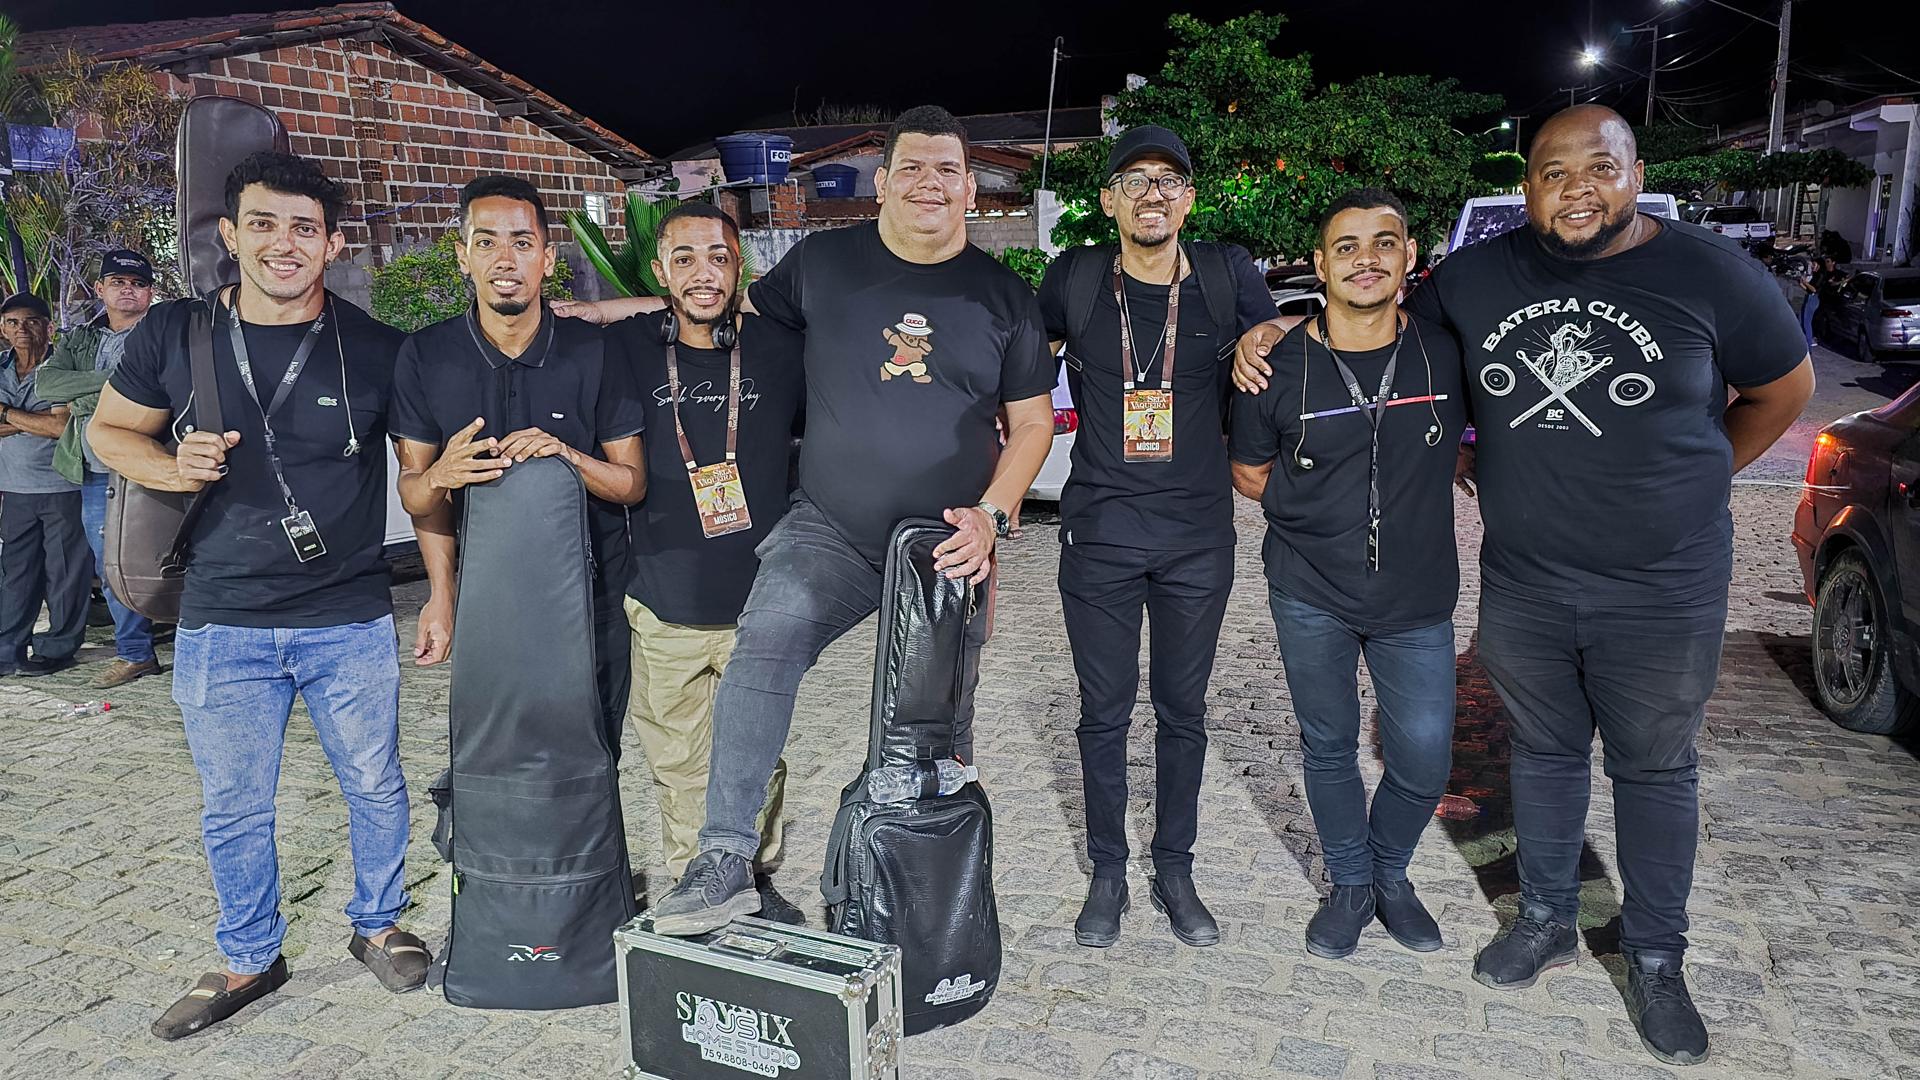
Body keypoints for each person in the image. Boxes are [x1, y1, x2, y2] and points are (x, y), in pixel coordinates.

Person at [1234, 106, 1813, 1067]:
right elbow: (1375, 323)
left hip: (1663, 585)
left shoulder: (1713, 274)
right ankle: (1544, 917)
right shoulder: (1477, 278)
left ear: (1636, 174)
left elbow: (1784, 394)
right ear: (1528, 185)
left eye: (1600, 168)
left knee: (1655, 768)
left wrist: (1694, 481)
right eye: (1554, 172)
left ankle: (1656, 958)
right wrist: (1274, 327)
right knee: (1542, 754)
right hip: (1528, 578)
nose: (1577, 189)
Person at [570, 105, 1056, 936]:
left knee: (937, 729)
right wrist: (600, 317)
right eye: (912, 167)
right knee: (763, 644)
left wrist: (991, 516)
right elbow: (726, 317)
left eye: (947, 169)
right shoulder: (822, 262)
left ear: (970, 190)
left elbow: (1034, 422)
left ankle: (922, 895)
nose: (930, 183)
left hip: (944, 545)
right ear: (884, 182)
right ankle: (725, 861)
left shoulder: (1004, 294)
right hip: (829, 531)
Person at [89, 152, 431, 1039]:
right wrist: (171, 464)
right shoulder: (176, 331)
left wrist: (445, 589)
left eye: (305, 228)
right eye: (265, 224)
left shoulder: (376, 349)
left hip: (348, 614)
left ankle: (378, 923)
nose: (285, 243)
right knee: (235, 805)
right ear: (231, 236)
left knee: (375, 783)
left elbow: (419, 478)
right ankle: (249, 956)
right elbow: (108, 433)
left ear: (334, 245)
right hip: (221, 617)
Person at [1034, 126, 1277, 949]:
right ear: (1108, 200)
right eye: (1134, 180)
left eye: (1169, 180)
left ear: (1189, 198)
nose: (1152, 194)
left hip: (1197, 538)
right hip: (1100, 532)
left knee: (1184, 711)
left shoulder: (1225, 273)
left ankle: (1175, 867)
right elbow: (1014, 368)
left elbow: (1280, 342)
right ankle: (1108, 870)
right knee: (1102, 713)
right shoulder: (1073, 277)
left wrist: (1264, 335)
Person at [1228, 188, 1465, 961]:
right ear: (1321, 265)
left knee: (1424, 757)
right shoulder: (1276, 364)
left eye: (1383, 243)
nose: (1366, 259)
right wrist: (1324, 516)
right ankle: (1354, 884)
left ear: (1410, 256)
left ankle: (1390, 869)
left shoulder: (1446, 352)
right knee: (1328, 744)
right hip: (1309, 590)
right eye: (1347, 246)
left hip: (1416, 593)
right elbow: (1249, 474)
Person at [390, 175, 646, 764]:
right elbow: (416, 496)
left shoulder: (594, 349)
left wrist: (568, 456)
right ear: (463, 256)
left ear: (547, 259)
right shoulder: (426, 355)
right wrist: (442, 594)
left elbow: (631, 484)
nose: (505, 259)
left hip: (591, 596)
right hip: (488, 601)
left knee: (593, 755)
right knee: (495, 757)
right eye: (486, 242)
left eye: (522, 242)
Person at [603, 201, 806, 923]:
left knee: (761, 754)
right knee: (679, 758)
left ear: (739, 268)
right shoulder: (626, 346)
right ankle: (696, 880)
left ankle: (756, 874)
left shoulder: (782, 348)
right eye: (684, 258)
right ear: (660, 272)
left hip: (762, 597)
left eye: (718, 257)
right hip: (664, 597)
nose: (703, 273)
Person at [37, 249, 161, 687]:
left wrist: (83, 398)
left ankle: (194, 644)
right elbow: (48, 384)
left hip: (151, 466)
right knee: (112, 568)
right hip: (94, 471)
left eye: (138, 283)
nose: (128, 290)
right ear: (100, 288)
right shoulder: (79, 339)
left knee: (171, 560)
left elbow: (163, 388)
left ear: (150, 292)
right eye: (118, 282)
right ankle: (136, 654)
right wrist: (119, 382)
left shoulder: (164, 333)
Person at [0, 292, 88, 676]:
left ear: (49, 327)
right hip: (14, 488)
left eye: (32, 321)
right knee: (15, 573)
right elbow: (47, 423)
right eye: (13, 322)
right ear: (3, 329)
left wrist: (6, 413)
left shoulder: (62, 365)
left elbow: (60, 426)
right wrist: (32, 420)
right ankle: (8, 648)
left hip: (62, 487)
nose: (22, 329)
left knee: (65, 573)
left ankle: (58, 648)